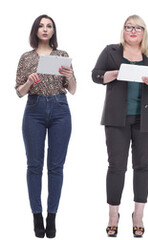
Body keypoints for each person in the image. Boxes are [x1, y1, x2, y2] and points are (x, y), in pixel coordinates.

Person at [91, 14, 148, 238]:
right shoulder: (111, 51)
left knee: (143, 166)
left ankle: (138, 215)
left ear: (144, 32)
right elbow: (95, 76)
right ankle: (113, 216)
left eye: (138, 28)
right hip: (117, 119)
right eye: (129, 27)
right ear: (123, 30)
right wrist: (114, 74)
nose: (133, 31)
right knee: (116, 166)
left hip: (145, 120)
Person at [16, 14, 77, 239]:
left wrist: (70, 76)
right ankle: (36, 216)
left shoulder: (62, 55)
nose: (45, 29)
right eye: (41, 26)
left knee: (56, 167)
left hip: (60, 109)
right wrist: (29, 82)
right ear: (35, 30)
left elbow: (73, 89)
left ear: (53, 31)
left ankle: (52, 217)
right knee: (34, 165)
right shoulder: (26, 57)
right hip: (34, 109)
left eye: (49, 26)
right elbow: (19, 92)